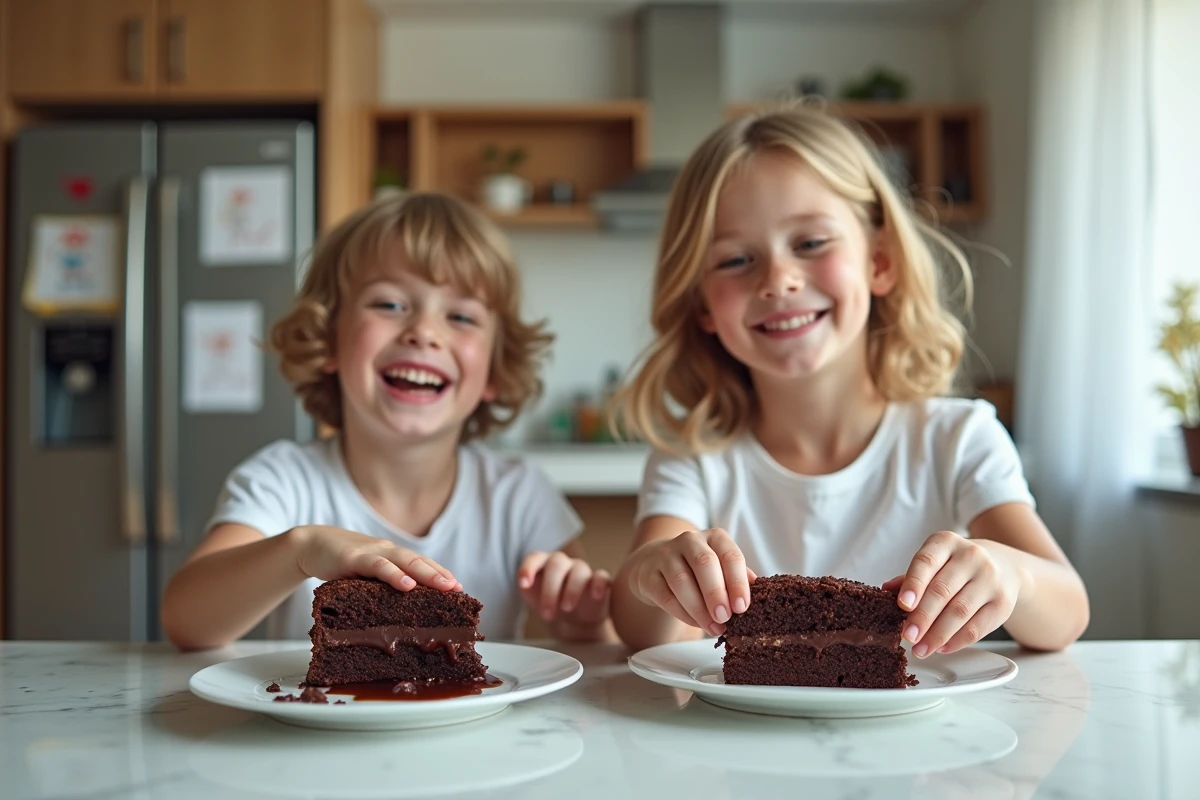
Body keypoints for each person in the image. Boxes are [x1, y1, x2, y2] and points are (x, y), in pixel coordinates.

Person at [610, 104, 1089, 655]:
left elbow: (1068, 611)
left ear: (880, 261)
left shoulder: (957, 438)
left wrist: (1014, 575)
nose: (778, 280)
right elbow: (638, 630)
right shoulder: (693, 456)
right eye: (737, 260)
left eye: (811, 244)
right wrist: (650, 575)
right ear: (702, 308)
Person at [162, 193, 611, 650]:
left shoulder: (520, 494)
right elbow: (186, 620)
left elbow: (596, 642)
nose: (424, 332)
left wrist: (584, 623)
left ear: (495, 368)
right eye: (390, 305)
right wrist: (299, 551)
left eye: (460, 316)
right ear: (328, 337)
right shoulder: (281, 481)